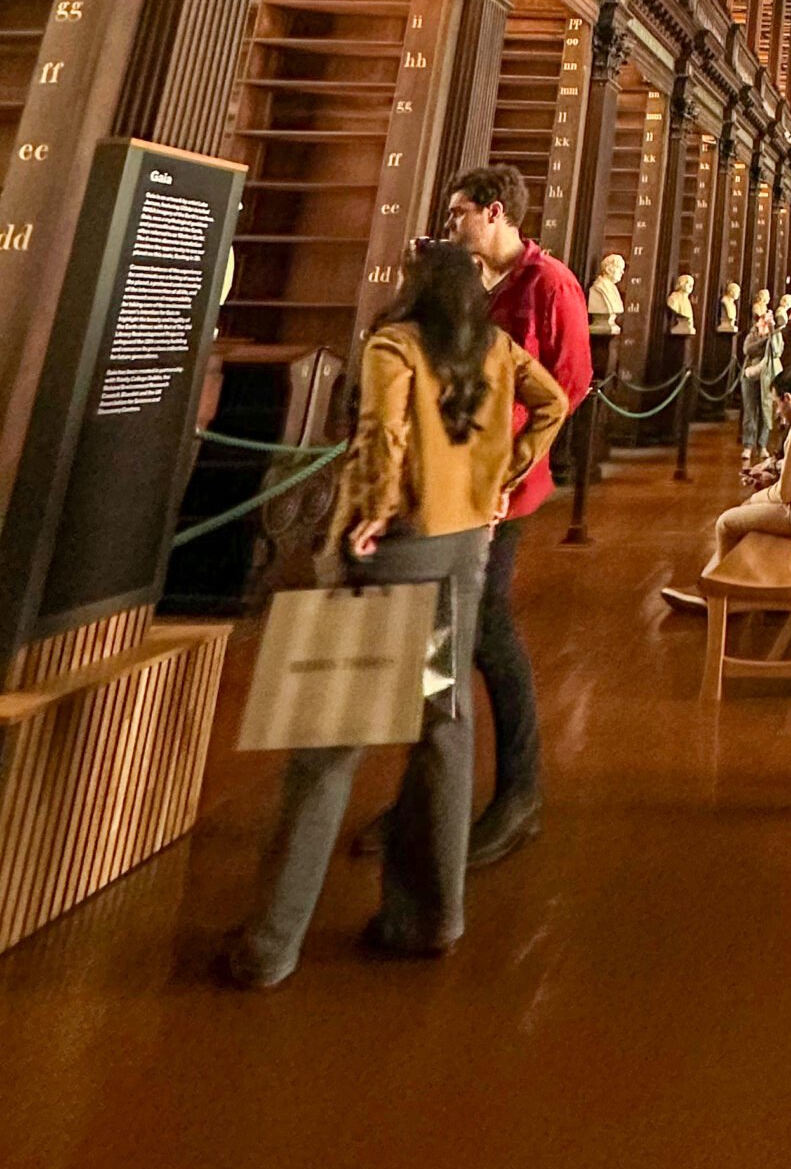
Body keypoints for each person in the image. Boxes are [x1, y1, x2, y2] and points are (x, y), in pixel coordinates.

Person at [222, 245, 569, 987]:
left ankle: (270, 944)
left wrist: (374, 514)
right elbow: (554, 401)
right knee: (442, 728)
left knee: (330, 742)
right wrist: (508, 476)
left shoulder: (395, 345)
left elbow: (382, 434)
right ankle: (430, 918)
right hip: (464, 551)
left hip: (399, 552)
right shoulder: (498, 348)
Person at [434, 163, 591, 865]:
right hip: (445, 480)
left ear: (493, 212)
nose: (450, 224)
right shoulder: (466, 279)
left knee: (487, 631)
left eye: (458, 212)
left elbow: (572, 384)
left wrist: (514, 467)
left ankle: (520, 793)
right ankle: (426, 800)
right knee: (439, 630)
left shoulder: (550, 284)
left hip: (503, 490)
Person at [662, 368, 791, 610]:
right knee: (748, 515)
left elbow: (786, 494)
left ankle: (719, 596)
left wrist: (757, 496)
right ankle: (714, 585)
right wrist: (770, 474)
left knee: (727, 522)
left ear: (788, 399)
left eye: (777, 403)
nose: (776, 410)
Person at [740, 307, 776, 461]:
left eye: (766, 321)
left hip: (767, 378)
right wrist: (764, 341)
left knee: (765, 411)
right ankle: (748, 445)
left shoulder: (774, 336)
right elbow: (748, 349)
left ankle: (762, 445)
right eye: (762, 320)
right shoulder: (751, 335)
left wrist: (773, 332)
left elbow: (776, 350)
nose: (764, 323)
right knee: (750, 411)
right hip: (750, 377)